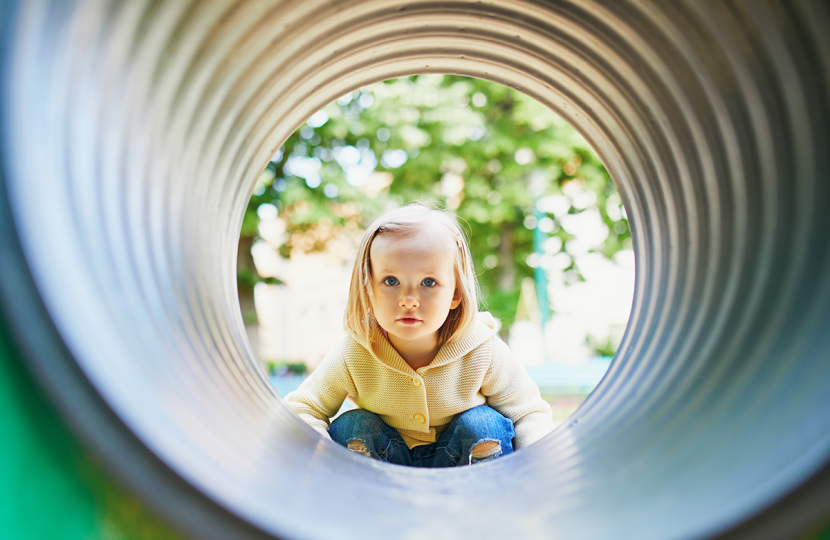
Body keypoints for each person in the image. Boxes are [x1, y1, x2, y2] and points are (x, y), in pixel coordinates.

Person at [284, 203, 554, 467]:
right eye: (391, 281)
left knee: (483, 423)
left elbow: (529, 412)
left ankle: (487, 497)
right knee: (353, 425)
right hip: (386, 470)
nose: (409, 299)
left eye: (428, 282)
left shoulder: (481, 349)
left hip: (460, 468)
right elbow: (303, 408)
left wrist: (533, 466)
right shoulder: (356, 352)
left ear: (455, 294)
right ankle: (367, 497)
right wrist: (324, 454)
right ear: (369, 291)